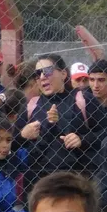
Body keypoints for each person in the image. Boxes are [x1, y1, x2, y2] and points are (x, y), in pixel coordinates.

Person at [16, 54, 89, 187]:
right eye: (38, 74)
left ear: (63, 74)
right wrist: (22, 135)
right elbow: (12, 145)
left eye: (48, 71)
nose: (43, 77)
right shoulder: (30, 106)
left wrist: (82, 139)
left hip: (76, 181)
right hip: (38, 184)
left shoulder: (82, 100)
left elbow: (106, 133)